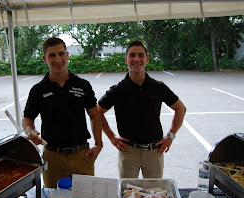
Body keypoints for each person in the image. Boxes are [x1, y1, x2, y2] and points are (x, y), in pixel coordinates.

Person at [97, 40, 186, 178]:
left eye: (141, 55)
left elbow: (180, 108)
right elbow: (97, 111)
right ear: (126, 60)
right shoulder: (118, 90)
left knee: (155, 194)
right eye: (132, 55)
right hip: (128, 152)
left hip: (154, 152)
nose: (136, 59)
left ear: (147, 59)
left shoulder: (158, 87)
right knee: (128, 194)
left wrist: (171, 136)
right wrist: (112, 137)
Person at [22, 37, 103, 188]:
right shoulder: (38, 90)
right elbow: (27, 118)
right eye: (52, 55)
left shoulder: (83, 85)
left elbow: (94, 115)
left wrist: (99, 144)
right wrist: (29, 131)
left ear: (67, 55)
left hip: (81, 154)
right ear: (44, 59)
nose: (57, 59)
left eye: (61, 54)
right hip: (52, 157)